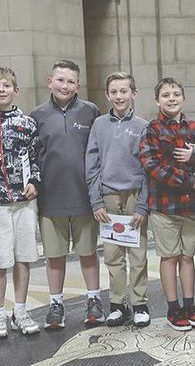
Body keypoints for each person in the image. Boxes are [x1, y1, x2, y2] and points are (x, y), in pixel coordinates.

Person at [30, 60, 102, 329]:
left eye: (70, 81)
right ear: (50, 81)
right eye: (60, 80)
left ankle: (94, 301)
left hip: (84, 197)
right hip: (51, 198)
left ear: (78, 86)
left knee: (88, 252)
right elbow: (32, 157)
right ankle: (56, 304)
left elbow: (99, 152)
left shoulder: (91, 112)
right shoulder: (36, 116)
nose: (65, 85)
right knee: (55, 256)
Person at [139, 77, 195, 332]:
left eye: (176, 94)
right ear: (157, 100)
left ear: (184, 98)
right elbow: (153, 166)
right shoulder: (152, 130)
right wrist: (189, 178)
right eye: (166, 95)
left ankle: (190, 305)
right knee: (170, 257)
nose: (171, 98)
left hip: (193, 207)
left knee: (188, 257)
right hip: (165, 207)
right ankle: (173, 308)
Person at [85, 72, 150, 328]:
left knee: (137, 253)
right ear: (107, 95)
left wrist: (143, 204)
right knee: (112, 254)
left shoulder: (143, 126)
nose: (119, 96)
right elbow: (91, 164)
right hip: (109, 196)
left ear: (134, 93)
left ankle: (140, 304)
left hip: (134, 196)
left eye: (124, 91)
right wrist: (96, 201)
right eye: (114, 92)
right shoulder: (99, 125)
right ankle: (117, 304)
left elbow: (148, 168)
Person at [0, 67, 41, 336]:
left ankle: (21, 310)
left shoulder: (26, 123)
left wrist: (35, 182)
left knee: (23, 258)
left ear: (15, 90)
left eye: (5, 85)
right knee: (1, 261)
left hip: (24, 201)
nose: (1, 89)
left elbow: (36, 157)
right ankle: (0, 314)